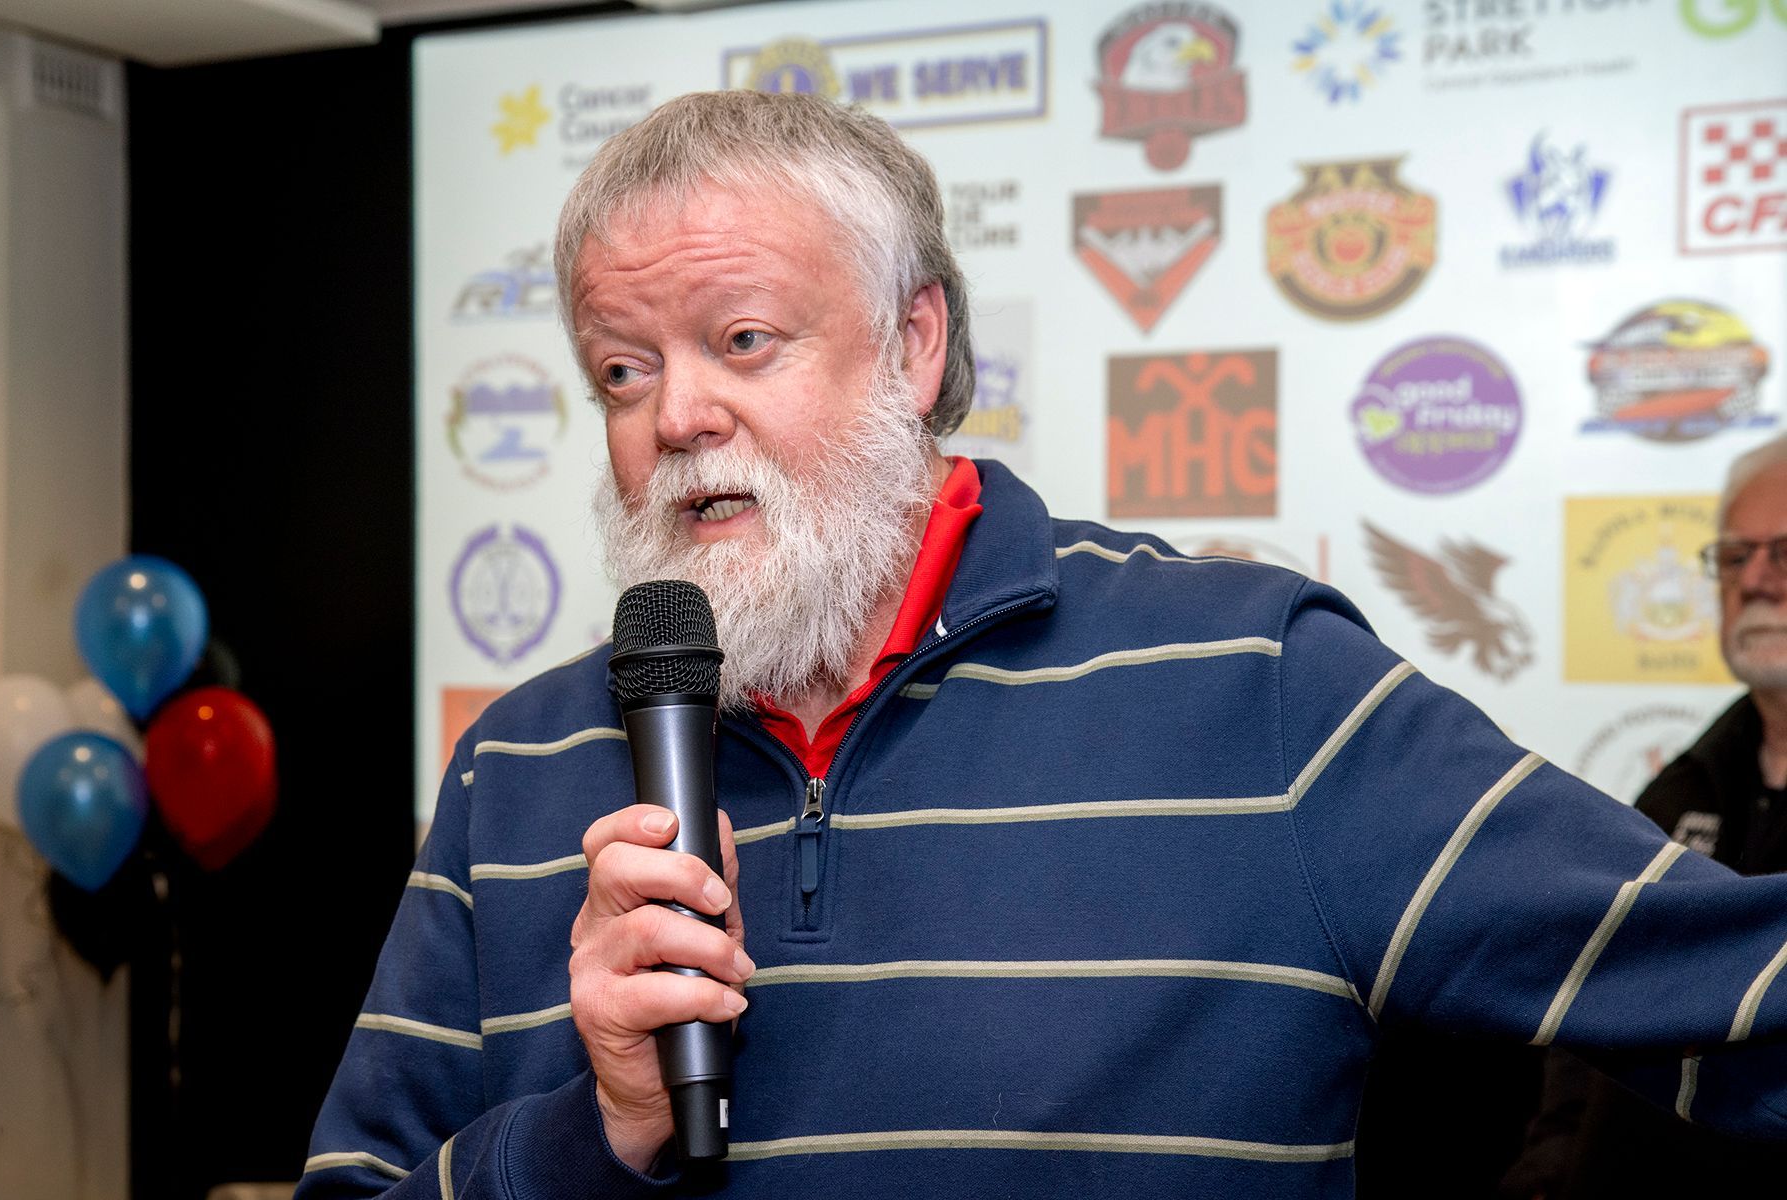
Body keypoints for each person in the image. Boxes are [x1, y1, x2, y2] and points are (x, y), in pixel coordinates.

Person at [296, 91, 1787, 1200]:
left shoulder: (1251, 684)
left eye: (743, 341)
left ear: (916, 343)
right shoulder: (521, 767)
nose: (676, 416)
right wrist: (593, 1131)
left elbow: (1735, 995)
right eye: (623, 370)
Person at [1501, 438, 1787, 1200]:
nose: (1757, 580)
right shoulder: (1677, 789)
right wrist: (1551, 1167)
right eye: (1735, 556)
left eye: (1785, 553)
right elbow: (1594, 1014)